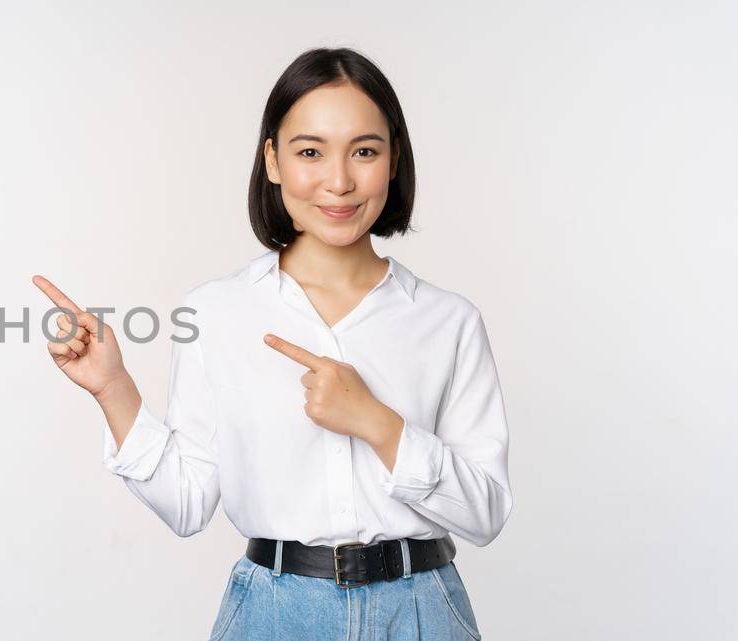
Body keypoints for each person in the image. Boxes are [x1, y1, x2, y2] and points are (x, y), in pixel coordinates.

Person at [32, 47, 512, 641]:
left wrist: (379, 425)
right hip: (273, 614)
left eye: (365, 151)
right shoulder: (215, 311)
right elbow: (187, 504)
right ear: (273, 161)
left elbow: (485, 514)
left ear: (393, 161)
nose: (338, 181)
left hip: (420, 612)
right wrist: (114, 390)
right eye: (310, 152)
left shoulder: (449, 321)